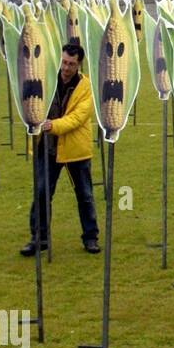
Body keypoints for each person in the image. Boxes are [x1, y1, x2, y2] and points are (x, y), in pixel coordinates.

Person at [22, 43, 99, 255]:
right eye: (64, 62)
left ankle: (90, 237)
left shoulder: (86, 87)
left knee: (84, 195)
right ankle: (39, 238)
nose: (66, 67)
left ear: (79, 64)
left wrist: (52, 125)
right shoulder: (47, 79)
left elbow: (77, 118)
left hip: (75, 150)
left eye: (71, 64)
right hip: (47, 147)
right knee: (41, 193)